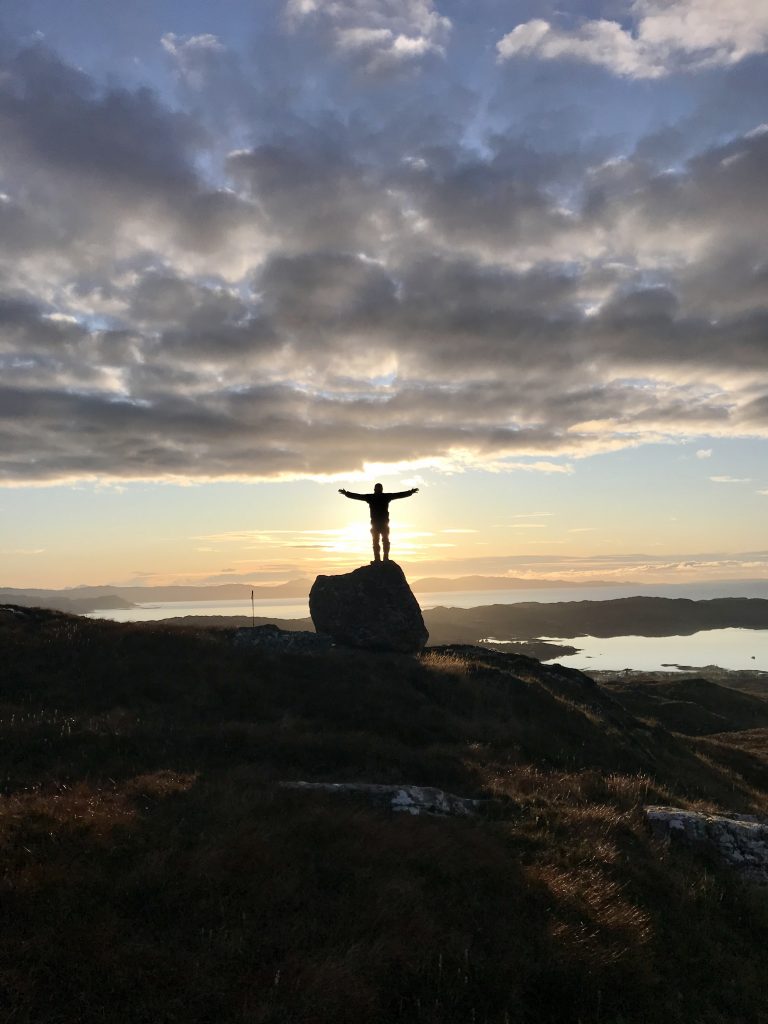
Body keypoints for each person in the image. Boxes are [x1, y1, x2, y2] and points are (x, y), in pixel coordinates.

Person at [338, 483, 419, 562]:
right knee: (380, 541)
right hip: (378, 524)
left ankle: (383, 558)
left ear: (375, 489)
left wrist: (410, 492)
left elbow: (399, 495)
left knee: (381, 541)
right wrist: (346, 493)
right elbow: (358, 496)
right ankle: (380, 559)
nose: (379, 490)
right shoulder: (378, 497)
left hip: (381, 524)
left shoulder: (375, 497)